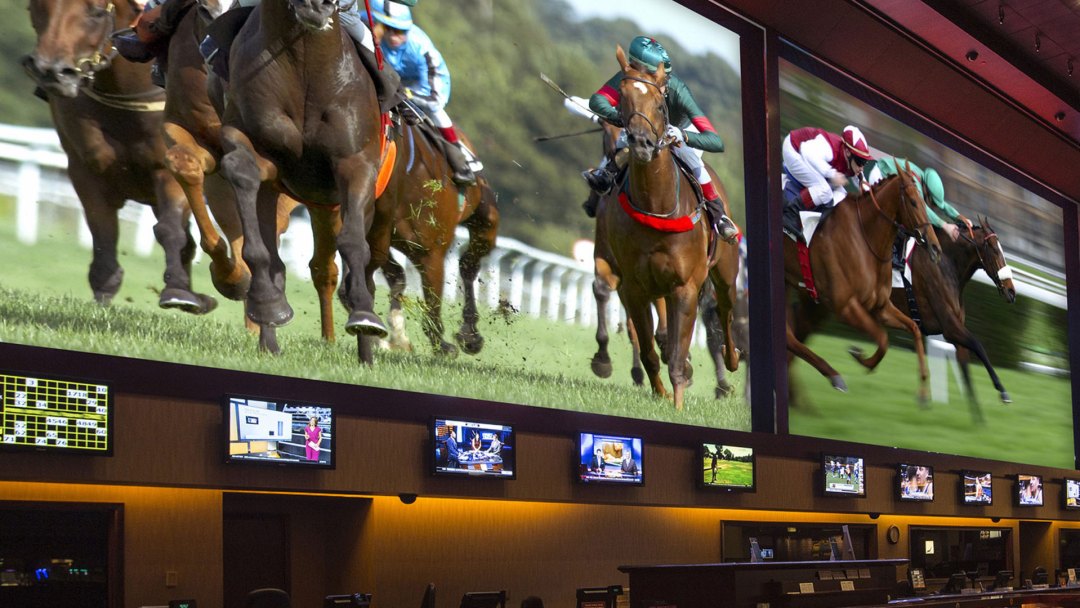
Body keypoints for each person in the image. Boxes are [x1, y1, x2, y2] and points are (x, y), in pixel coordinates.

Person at [112, 0, 410, 112]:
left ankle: (389, 95)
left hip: (334, 8)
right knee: (213, 34)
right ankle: (160, 52)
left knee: (368, 42)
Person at [582, 36, 739, 244]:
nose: (650, 82)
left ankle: (719, 216)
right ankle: (605, 179)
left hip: (678, 131)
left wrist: (683, 136)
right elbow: (597, 100)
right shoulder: (630, 77)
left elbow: (716, 142)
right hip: (643, 128)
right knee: (622, 142)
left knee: (693, 161)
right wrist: (621, 118)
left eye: (657, 78)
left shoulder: (679, 91)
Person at [367, 0, 477, 186]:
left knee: (436, 112)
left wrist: (408, 95)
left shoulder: (420, 47)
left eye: (400, 31)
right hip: (394, 80)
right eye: (390, 29)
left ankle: (461, 163)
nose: (395, 36)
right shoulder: (367, 23)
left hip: (426, 87)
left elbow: (435, 99)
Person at [781, 125, 873, 300]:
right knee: (824, 190)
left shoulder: (849, 158)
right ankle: (790, 215)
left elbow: (855, 174)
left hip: (809, 156)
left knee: (842, 197)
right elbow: (807, 152)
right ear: (847, 152)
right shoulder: (828, 147)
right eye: (860, 162)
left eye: (865, 163)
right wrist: (830, 173)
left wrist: (863, 181)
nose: (862, 167)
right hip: (794, 150)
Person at [865, 157, 973, 240]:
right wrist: (945, 226)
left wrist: (959, 217)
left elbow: (943, 205)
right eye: (932, 201)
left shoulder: (923, 179)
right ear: (926, 190)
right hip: (879, 175)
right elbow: (924, 209)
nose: (932, 205)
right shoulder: (917, 185)